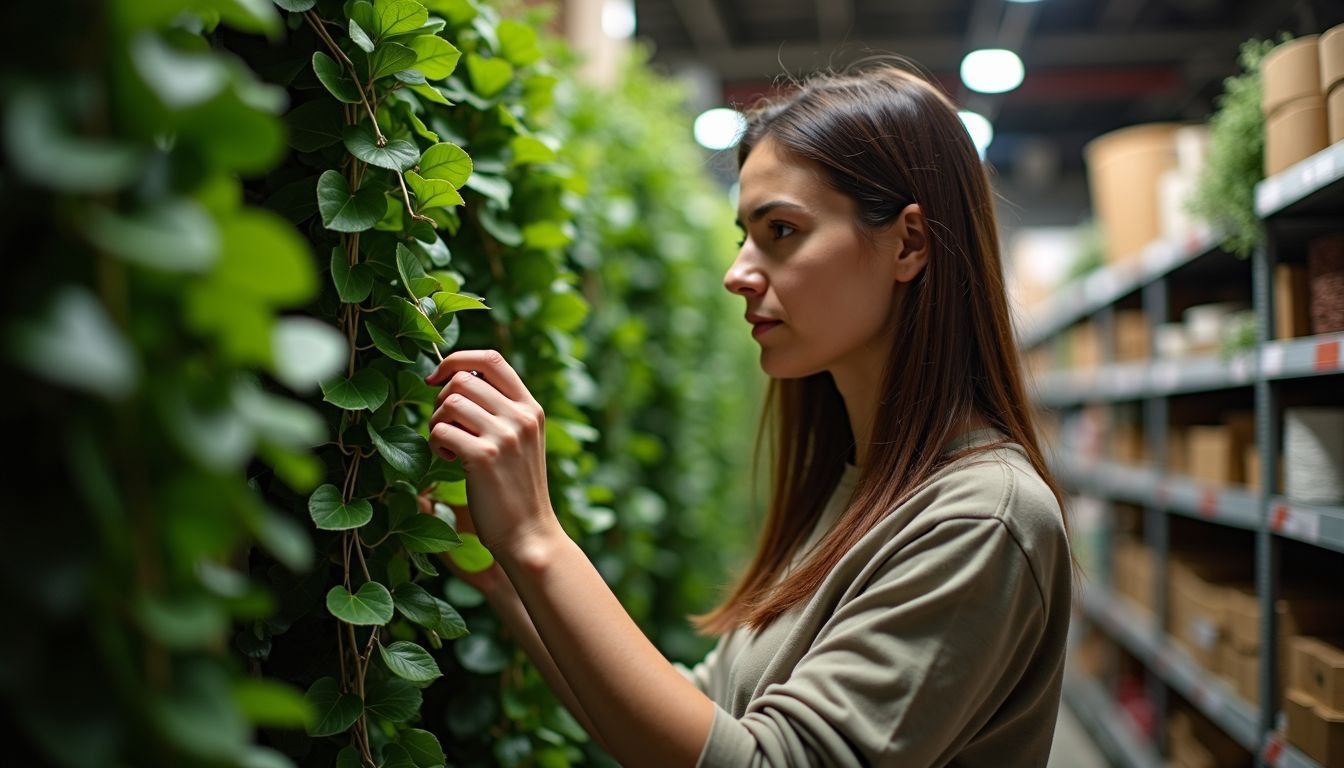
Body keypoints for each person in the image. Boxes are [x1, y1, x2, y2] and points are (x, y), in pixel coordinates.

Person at [422, 63, 1074, 767]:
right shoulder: (862, 487)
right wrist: (505, 576)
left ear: (909, 243)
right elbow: (703, 723)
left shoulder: (985, 518)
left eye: (782, 231)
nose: (738, 271)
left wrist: (535, 537)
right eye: (745, 234)